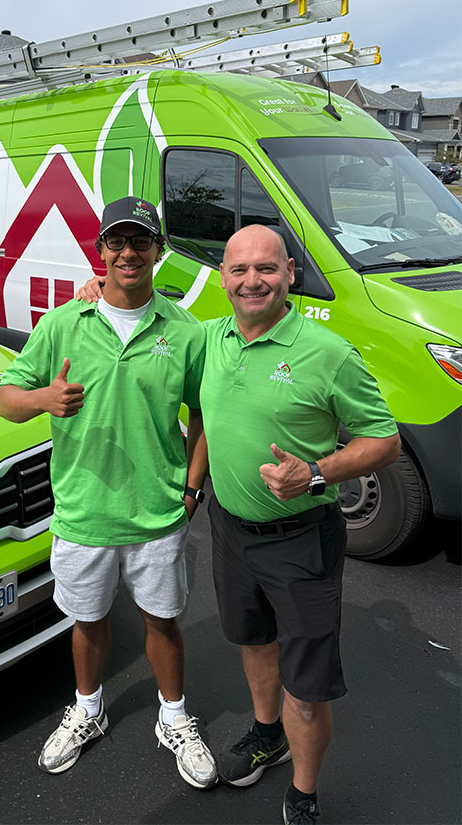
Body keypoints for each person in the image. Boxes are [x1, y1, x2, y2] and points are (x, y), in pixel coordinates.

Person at [75, 223, 400, 825]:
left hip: (302, 537)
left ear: (290, 274)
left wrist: (318, 472)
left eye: (267, 269)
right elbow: (149, 327)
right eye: (239, 270)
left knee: (308, 688)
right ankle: (264, 732)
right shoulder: (208, 340)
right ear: (223, 278)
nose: (253, 281)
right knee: (253, 643)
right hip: (230, 529)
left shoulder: (327, 353)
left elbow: (385, 441)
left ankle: (303, 793)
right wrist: (96, 293)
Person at [0, 196, 217, 789]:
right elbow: (6, 400)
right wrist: (43, 399)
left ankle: (173, 717)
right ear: (100, 252)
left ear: (157, 252)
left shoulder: (185, 331)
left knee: (163, 621)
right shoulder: (63, 323)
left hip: (158, 513)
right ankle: (88, 711)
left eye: (140, 242)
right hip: (83, 509)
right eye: (116, 242)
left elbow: (203, 418)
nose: (128, 252)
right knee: (88, 622)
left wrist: (192, 493)